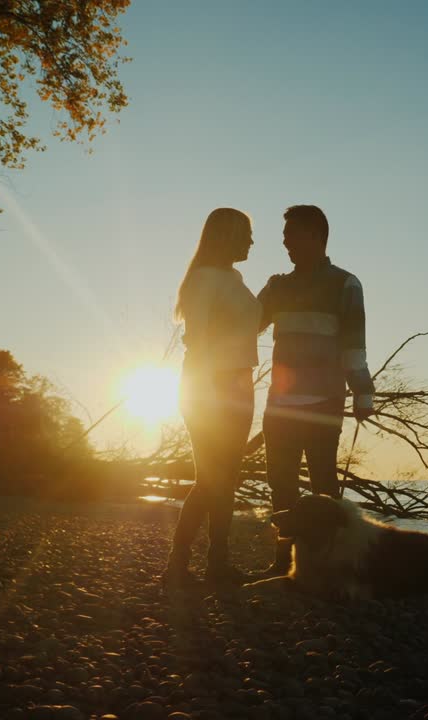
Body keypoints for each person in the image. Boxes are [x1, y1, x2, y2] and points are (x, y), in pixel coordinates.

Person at [256, 204, 375, 577]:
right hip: (279, 404)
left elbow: (354, 345)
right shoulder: (278, 286)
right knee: (281, 486)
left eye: (292, 234)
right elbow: (246, 324)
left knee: (325, 488)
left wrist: (362, 392)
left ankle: (328, 563)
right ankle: (284, 563)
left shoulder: (345, 283)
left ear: (315, 236)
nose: (285, 242)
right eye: (285, 236)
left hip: (324, 402)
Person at [163, 208, 261, 585]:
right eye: (246, 234)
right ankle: (189, 562)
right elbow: (197, 340)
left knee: (224, 478)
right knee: (213, 479)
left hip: (238, 383)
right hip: (210, 385)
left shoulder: (233, 279)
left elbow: (249, 323)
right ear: (227, 236)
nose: (252, 242)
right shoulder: (205, 279)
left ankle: (210, 562)